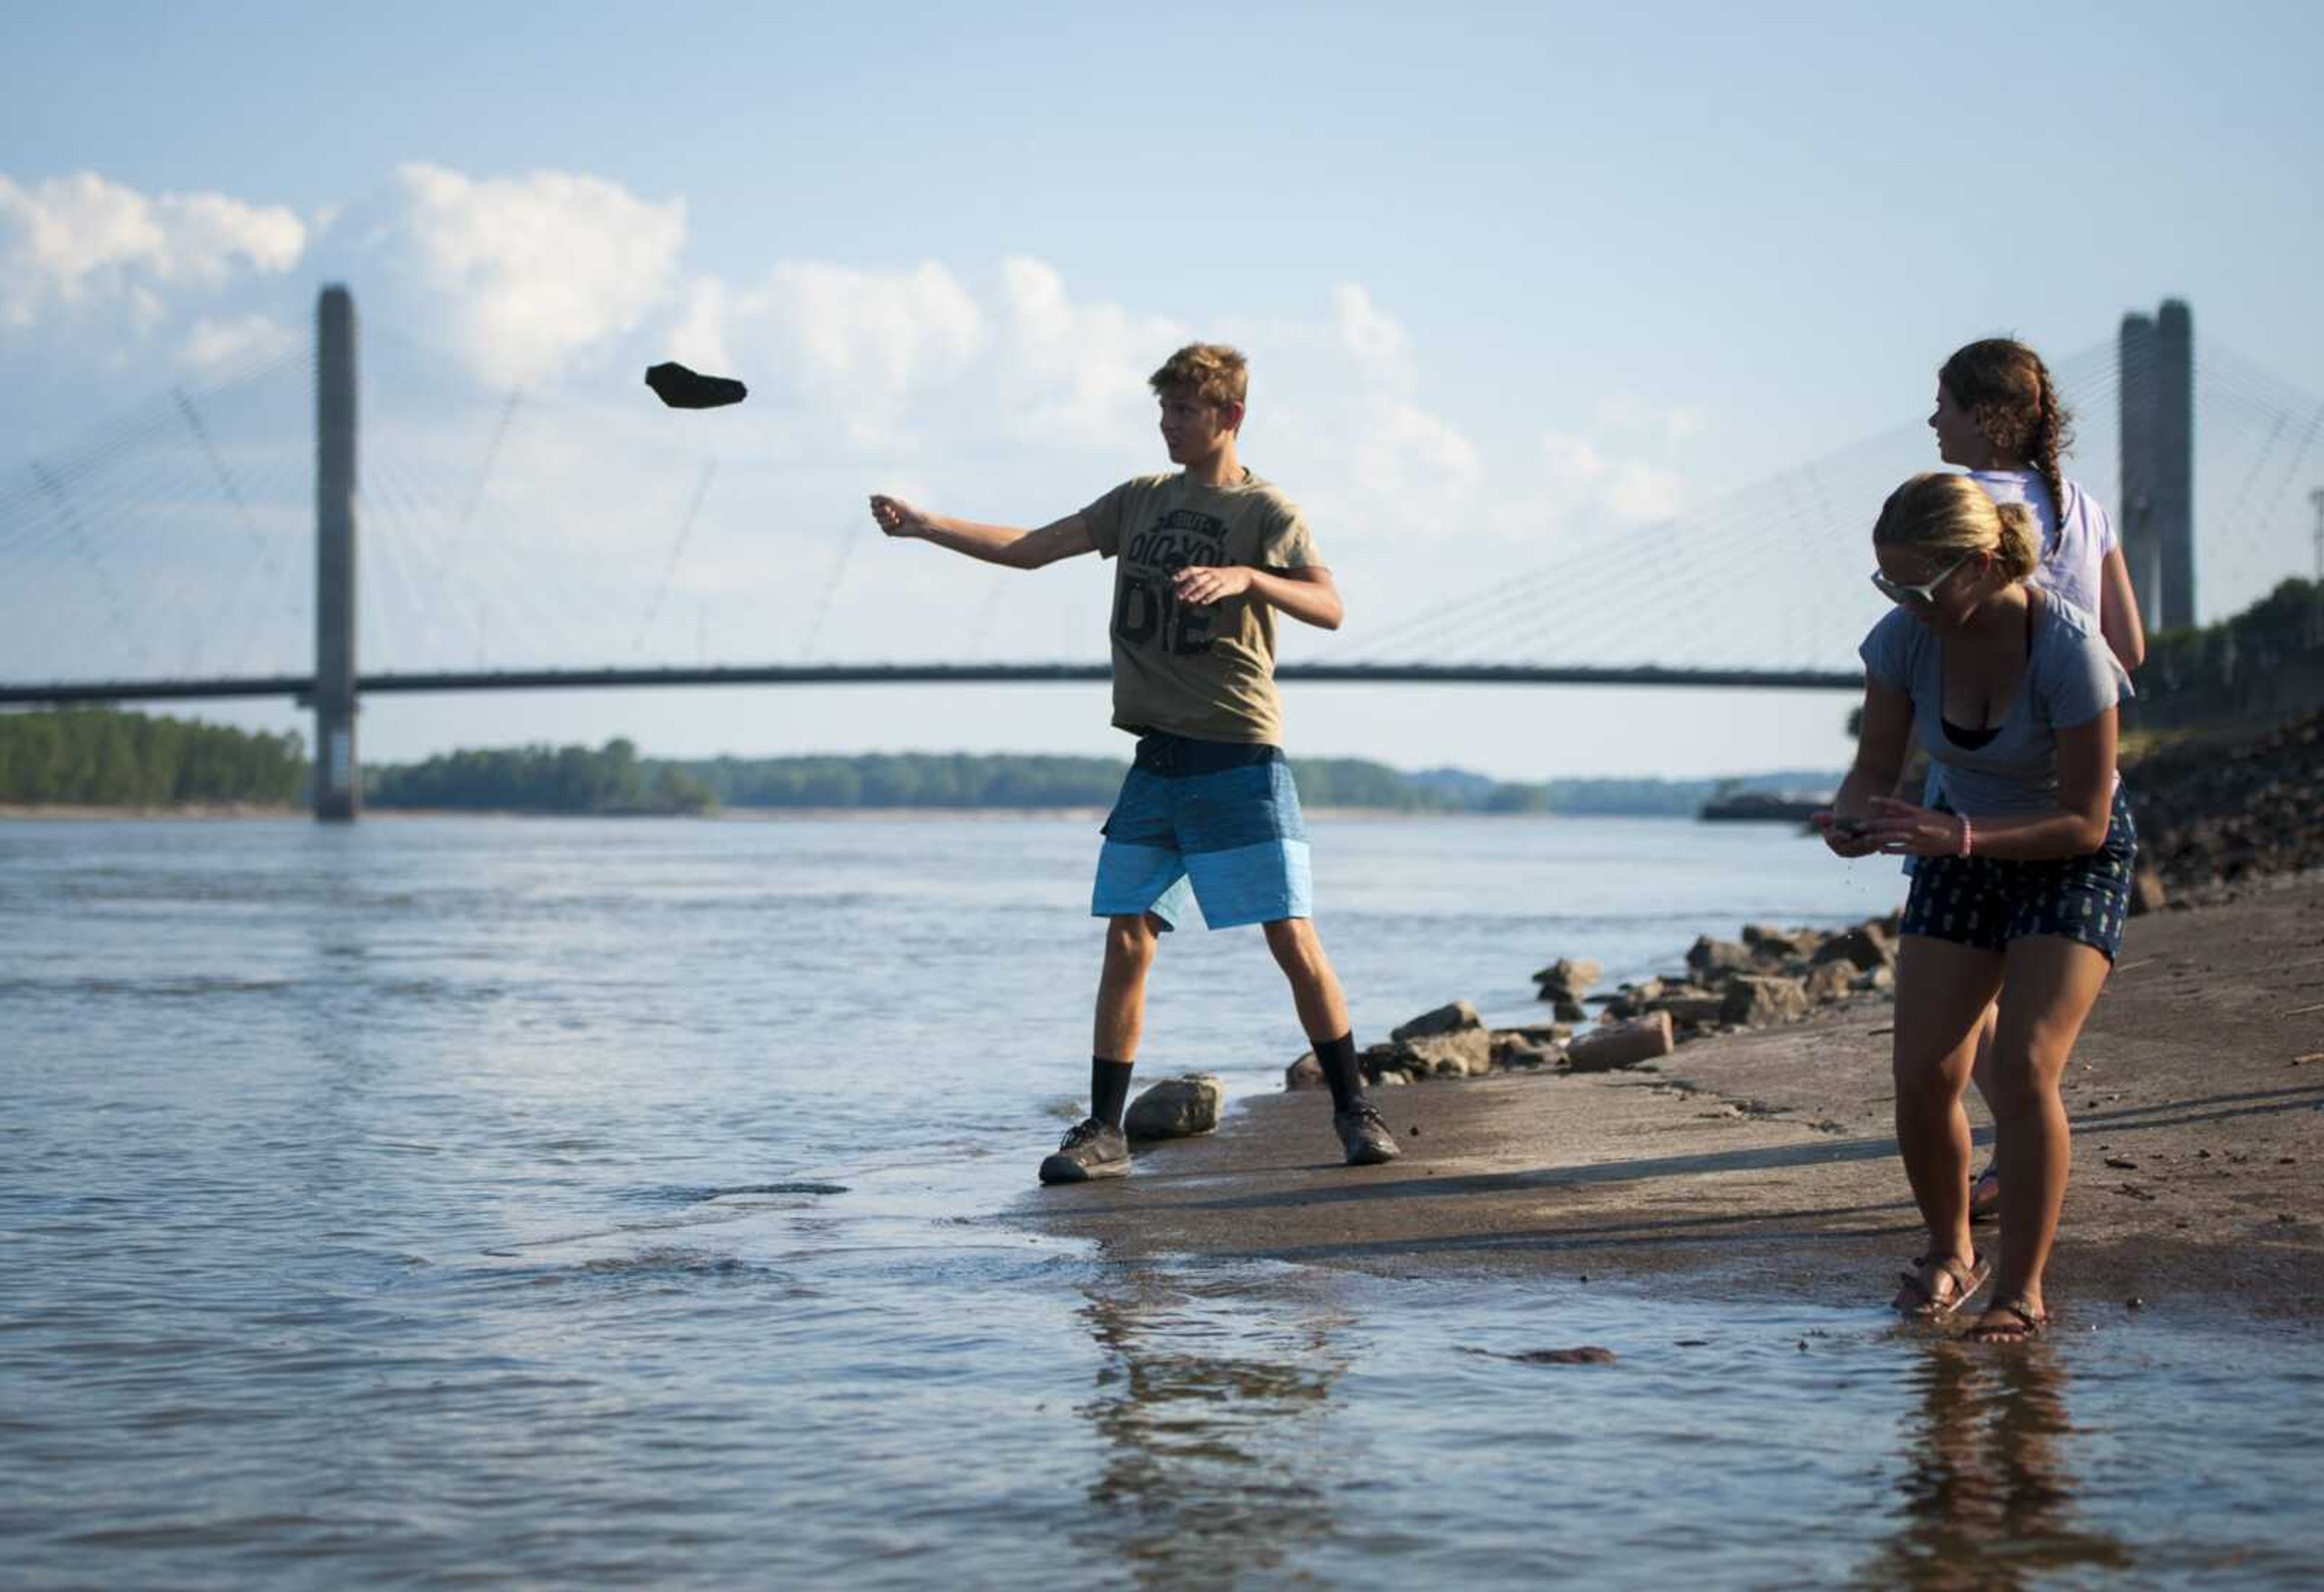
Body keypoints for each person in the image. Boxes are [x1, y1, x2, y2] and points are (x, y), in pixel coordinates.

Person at [867, 342, 1400, 1184]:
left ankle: (1353, 1109)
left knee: (1290, 935)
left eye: (1183, 412)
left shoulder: (1269, 512)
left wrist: (1249, 580)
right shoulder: (1141, 500)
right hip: (1157, 763)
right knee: (1127, 935)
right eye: (1162, 411)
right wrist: (929, 525)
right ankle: (1105, 1129)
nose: (1167, 424)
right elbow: (1033, 548)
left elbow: (1330, 606)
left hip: (1240, 757)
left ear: (1229, 417)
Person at [1816, 472, 2135, 1342]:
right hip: (1956, 844)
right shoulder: (1904, 642)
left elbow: (2085, 817)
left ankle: (2022, 1288)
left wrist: (1960, 837)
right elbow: (1875, 769)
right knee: (1924, 1072)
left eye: (1916, 585)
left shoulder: (2070, 653)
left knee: (2027, 1066)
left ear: (1982, 563)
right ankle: (1951, 1250)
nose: (1902, 602)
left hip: (2067, 854)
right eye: (1888, 584)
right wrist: (1853, 819)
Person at [1927, 338, 2147, 1221]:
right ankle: (2017, 1160)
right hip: (2076, 783)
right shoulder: (2082, 506)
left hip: (1978, 790)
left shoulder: (1959, 507)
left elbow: (1931, 633)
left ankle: (2003, 1177)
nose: (1931, 420)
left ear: (1985, 415)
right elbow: (2127, 648)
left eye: (1941, 402)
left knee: (1961, 1011)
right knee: (2028, 1040)